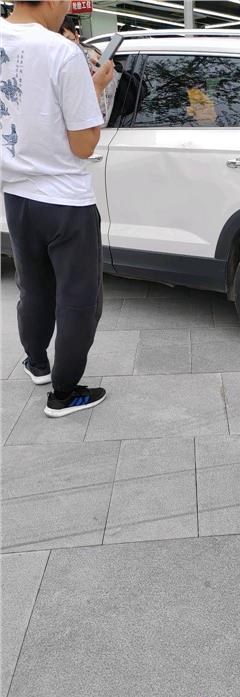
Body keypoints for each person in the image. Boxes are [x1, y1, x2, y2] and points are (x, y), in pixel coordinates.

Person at [0, 1, 114, 418]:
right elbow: (83, 144)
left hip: (16, 195)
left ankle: (37, 363)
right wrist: (95, 88)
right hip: (65, 200)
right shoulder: (62, 52)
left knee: (33, 287)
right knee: (78, 300)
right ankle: (64, 394)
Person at [60, 16, 120, 126]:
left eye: (68, 40)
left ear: (76, 37)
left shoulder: (93, 59)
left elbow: (101, 114)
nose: (64, 48)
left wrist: (96, 85)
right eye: (58, 43)